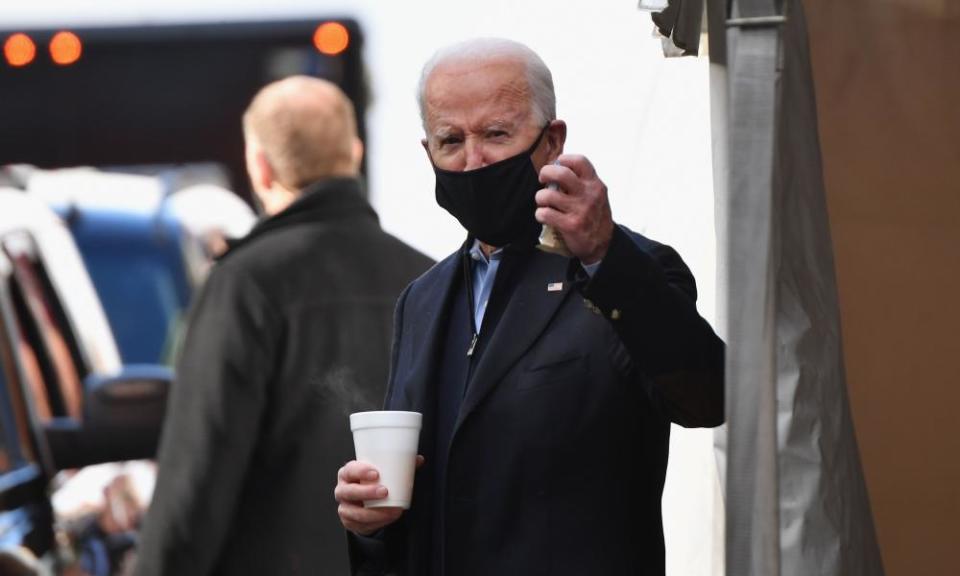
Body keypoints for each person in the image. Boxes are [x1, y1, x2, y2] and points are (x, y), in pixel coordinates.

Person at [334, 39, 725, 575]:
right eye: (451, 140)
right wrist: (370, 523)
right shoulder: (421, 300)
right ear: (428, 153)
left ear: (552, 141)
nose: (473, 161)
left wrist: (606, 255)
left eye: (496, 134)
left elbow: (709, 398)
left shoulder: (628, 268)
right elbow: (416, 495)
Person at [135, 76, 433, 575]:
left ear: (260, 166)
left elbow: (198, 483)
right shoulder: (430, 278)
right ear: (354, 153)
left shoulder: (245, 283)